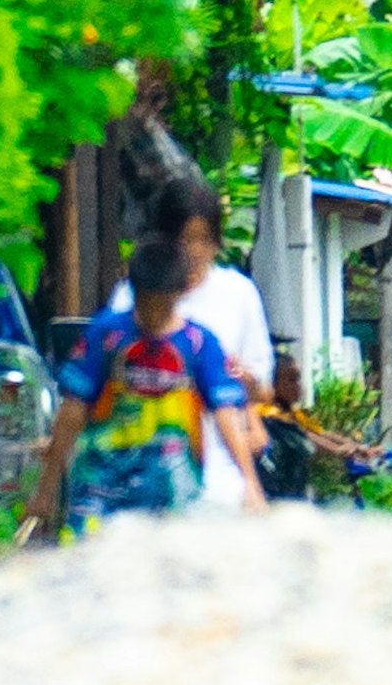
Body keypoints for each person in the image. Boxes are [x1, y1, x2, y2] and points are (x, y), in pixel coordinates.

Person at [34, 231, 254, 533]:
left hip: (172, 489)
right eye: (144, 303)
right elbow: (73, 410)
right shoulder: (105, 335)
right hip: (100, 484)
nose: (152, 314)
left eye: (161, 305)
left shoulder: (200, 344)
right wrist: (44, 491)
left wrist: (251, 485)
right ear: (132, 290)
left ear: (181, 292)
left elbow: (227, 414)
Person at [171, 181, 283, 506]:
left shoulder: (237, 293)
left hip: (221, 468)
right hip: (150, 459)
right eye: (183, 240)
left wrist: (242, 379)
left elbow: (262, 390)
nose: (193, 251)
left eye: (202, 240)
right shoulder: (135, 296)